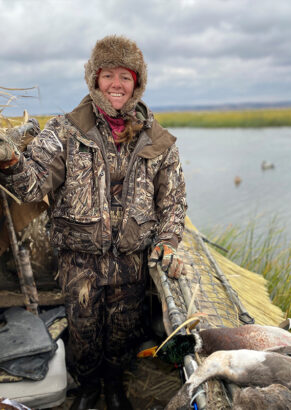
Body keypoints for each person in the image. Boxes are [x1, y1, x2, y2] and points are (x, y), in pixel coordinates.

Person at [0, 35, 187, 410]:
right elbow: (32, 185)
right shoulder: (65, 131)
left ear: (138, 83)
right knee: (83, 332)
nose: (116, 85)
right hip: (79, 261)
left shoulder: (157, 139)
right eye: (108, 76)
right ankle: (87, 391)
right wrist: (10, 161)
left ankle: (115, 388)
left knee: (123, 333)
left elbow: (174, 201)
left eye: (126, 77)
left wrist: (168, 241)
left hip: (131, 261)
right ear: (94, 78)